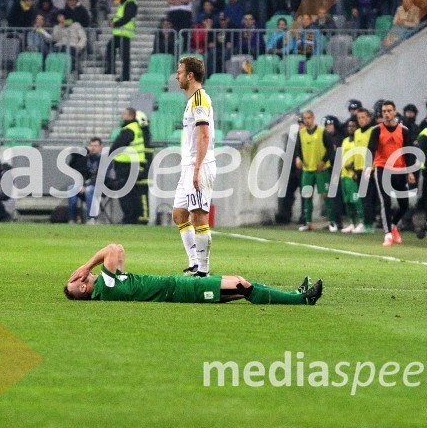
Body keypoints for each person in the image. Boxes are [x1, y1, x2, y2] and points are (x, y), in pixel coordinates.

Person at [65, 244, 324, 305]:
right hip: (180, 290)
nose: (79, 275)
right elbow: (111, 248)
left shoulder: (109, 283)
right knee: (241, 284)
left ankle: (296, 296)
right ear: (85, 288)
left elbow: (118, 250)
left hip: (179, 287)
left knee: (240, 286)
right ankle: (300, 299)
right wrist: (87, 265)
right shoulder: (105, 287)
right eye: (77, 279)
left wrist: (89, 269)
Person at [173, 57, 216, 277]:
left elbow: (204, 135)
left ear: (190, 75)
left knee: (199, 216)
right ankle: (194, 263)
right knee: (179, 214)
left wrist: (198, 169)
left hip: (199, 165)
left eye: (179, 72)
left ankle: (204, 271)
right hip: (188, 166)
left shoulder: (200, 100)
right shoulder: (192, 100)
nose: (176, 76)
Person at [367, 101, 416, 246]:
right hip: (383, 168)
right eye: (384, 111)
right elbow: (371, 149)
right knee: (386, 201)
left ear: (395, 112)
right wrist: (368, 166)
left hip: (399, 169)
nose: (386, 114)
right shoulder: (377, 130)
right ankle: (387, 233)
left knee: (404, 204)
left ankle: (393, 225)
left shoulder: (403, 130)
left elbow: (408, 152)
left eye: (389, 111)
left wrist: (410, 171)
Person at [294, 110, 335, 232]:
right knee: (307, 196)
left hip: (321, 170)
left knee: (325, 195)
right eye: (305, 118)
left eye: (308, 118)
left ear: (313, 118)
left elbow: (330, 149)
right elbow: (298, 149)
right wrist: (298, 158)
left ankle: (331, 222)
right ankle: (308, 222)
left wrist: (323, 161)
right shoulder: (301, 133)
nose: (306, 121)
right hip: (307, 170)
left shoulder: (322, 132)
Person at [110, 108, 146, 225]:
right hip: (135, 165)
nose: (122, 116)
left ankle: (129, 218)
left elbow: (117, 146)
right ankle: (135, 217)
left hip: (126, 166)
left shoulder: (128, 130)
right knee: (133, 193)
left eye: (124, 114)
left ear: (130, 116)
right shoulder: (136, 128)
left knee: (124, 193)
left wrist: (111, 154)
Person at [67, 137, 103, 224]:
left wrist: (85, 186)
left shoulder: (104, 159)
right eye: (92, 145)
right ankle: (72, 219)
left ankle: (91, 218)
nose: (93, 148)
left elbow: (100, 177)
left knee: (89, 189)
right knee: (71, 188)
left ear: (101, 147)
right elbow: (80, 171)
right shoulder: (85, 158)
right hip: (85, 185)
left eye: (96, 146)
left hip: (101, 187)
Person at [105, 0, 137, 81]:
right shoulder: (124, 3)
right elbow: (119, 16)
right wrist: (112, 20)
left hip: (125, 33)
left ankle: (125, 75)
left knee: (124, 55)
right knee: (110, 47)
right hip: (119, 33)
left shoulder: (130, 2)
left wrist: (115, 23)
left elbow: (127, 17)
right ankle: (111, 69)